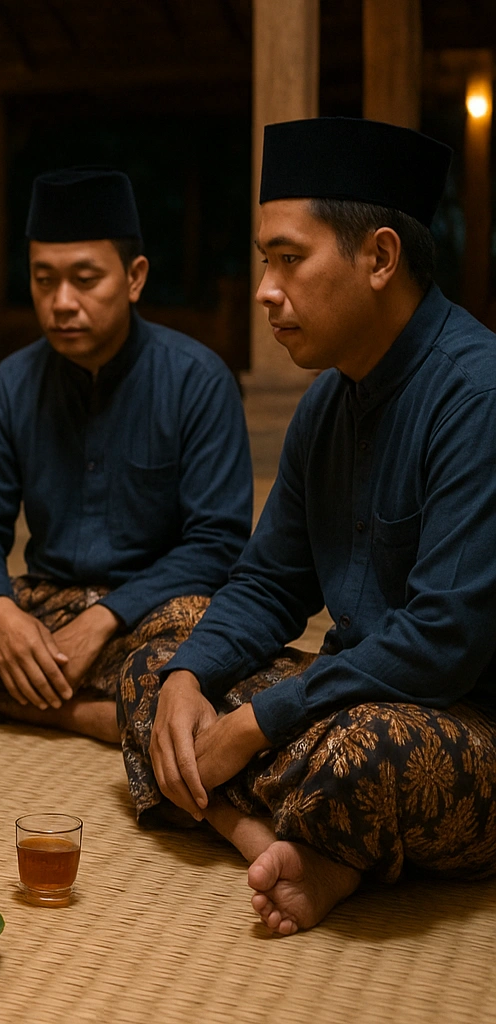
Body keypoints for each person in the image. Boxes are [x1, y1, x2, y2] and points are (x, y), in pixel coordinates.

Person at [120, 117, 496, 935]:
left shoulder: (477, 392)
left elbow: (444, 639)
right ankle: (274, 841)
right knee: (156, 661)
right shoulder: (328, 400)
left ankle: (266, 820)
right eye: (265, 262)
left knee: (361, 753)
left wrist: (256, 724)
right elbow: (266, 583)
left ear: (380, 258)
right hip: (350, 695)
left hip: (460, 721)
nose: (265, 289)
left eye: (289, 259)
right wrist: (189, 681)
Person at [0, 168, 252, 744]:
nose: (62, 302)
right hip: (48, 604)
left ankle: (42, 706)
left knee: (206, 628)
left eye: (85, 279)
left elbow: (217, 544)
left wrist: (104, 618)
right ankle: (105, 713)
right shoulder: (14, 381)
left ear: (135, 277)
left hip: (150, 608)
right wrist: (1, 613)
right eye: (44, 280)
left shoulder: (197, 379)